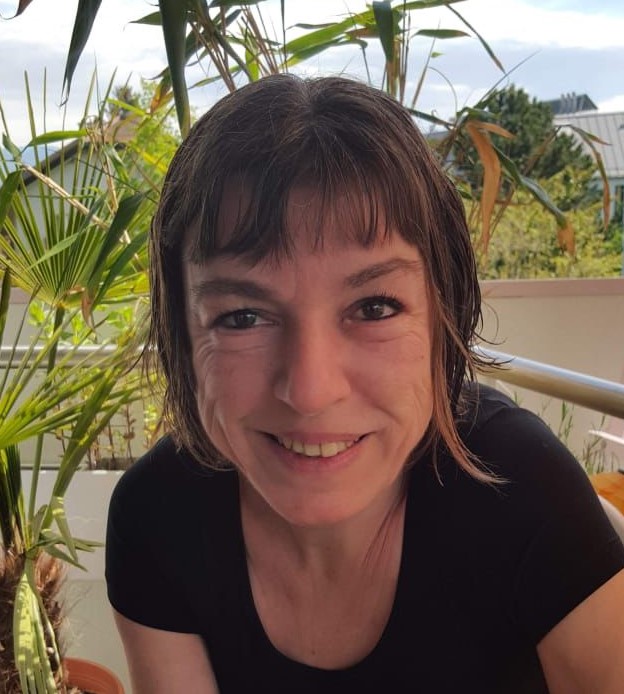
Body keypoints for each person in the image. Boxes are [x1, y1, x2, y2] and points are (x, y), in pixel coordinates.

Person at [105, 74, 624, 693]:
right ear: (183, 338)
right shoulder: (158, 516)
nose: (311, 391)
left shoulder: (522, 490)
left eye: (374, 307)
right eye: (242, 317)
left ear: (445, 318)